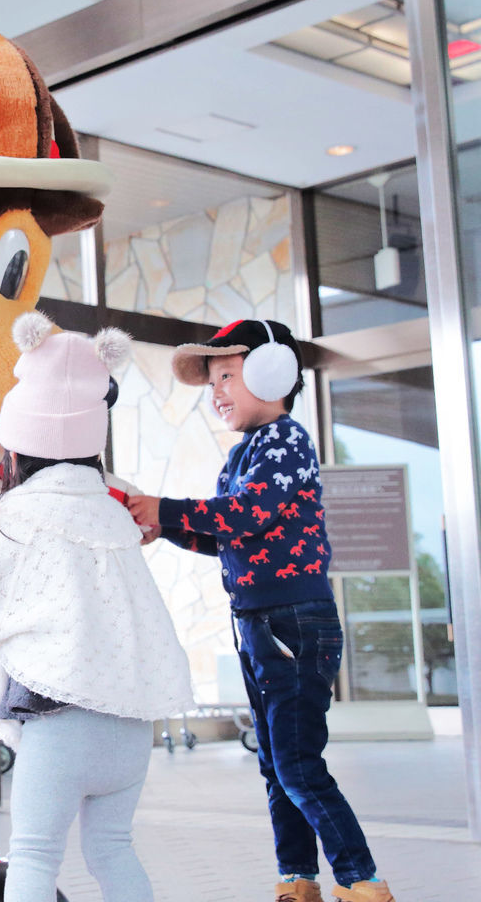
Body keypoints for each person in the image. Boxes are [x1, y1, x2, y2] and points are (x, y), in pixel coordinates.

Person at [127, 319, 397, 902]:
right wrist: (164, 525)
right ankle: (298, 879)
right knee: (277, 766)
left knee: (298, 764)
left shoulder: (286, 441)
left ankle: (362, 881)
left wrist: (167, 506)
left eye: (227, 374)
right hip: (260, 625)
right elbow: (226, 534)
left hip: (292, 623)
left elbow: (248, 514)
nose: (217, 390)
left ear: (273, 374)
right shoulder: (246, 451)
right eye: (213, 380)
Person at [0, 311, 193, 902]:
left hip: (60, 724)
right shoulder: (113, 518)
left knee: (33, 858)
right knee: (113, 851)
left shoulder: (8, 519)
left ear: (17, 447)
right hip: (130, 726)